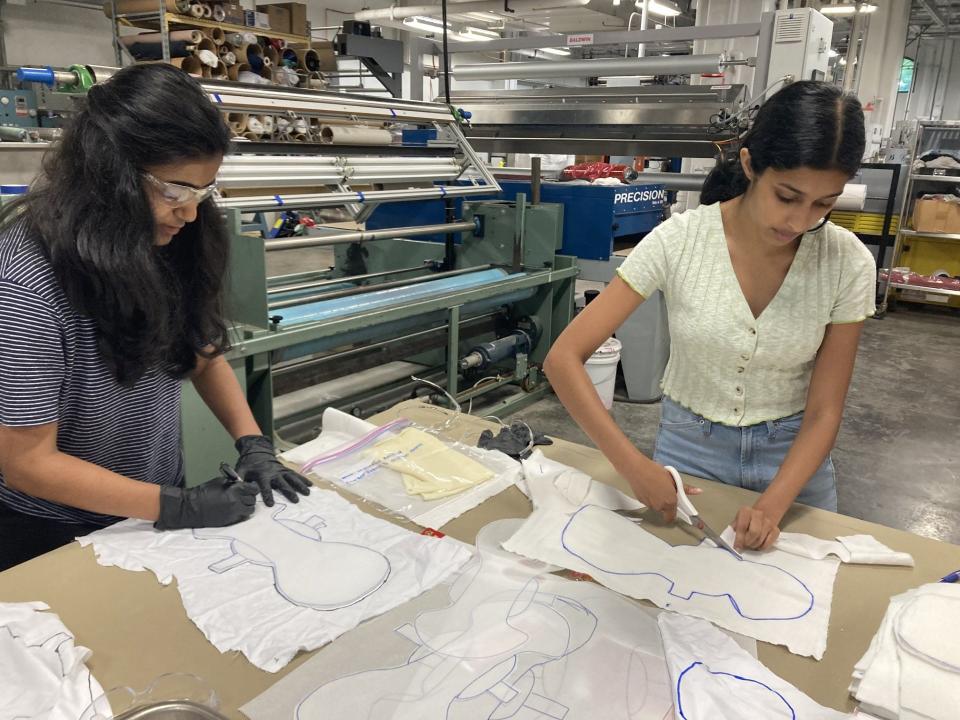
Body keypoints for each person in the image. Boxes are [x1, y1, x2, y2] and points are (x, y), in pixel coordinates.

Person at [0, 64, 311, 572]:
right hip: (53, 531)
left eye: (202, 192)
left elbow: (197, 348)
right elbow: (28, 464)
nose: (189, 214)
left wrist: (252, 442)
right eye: (175, 192)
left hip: (149, 502)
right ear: (109, 175)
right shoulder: (25, 281)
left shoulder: (159, 238)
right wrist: (176, 506)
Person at [544, 81, 874, 552]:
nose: (799, 221)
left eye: (823, 204)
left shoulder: (846, 262)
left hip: (795, 464)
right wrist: (634, 466)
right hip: (689, 453)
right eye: (786, 196)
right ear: (749, 165)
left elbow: (825, 411)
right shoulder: (679, 241)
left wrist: (772, 507)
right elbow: (564, 358)